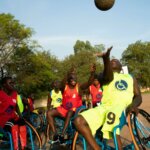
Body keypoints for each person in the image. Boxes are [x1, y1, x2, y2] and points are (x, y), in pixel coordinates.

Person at [74, 48, 142, 150]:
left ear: (121, 67)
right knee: (78, 120)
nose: (113, 61)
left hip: (121, 108)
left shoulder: (130, 77)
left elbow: (138, 96)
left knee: (112, 124)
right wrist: (106, 59)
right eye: (110, 62)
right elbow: (108, 76)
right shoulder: (103, 76)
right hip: (104, 107)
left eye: (116, 61)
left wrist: (133, 105)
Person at [47, 64, 96, 143]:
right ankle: (55, 133)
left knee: (70, 112)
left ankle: (63, 133)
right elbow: (62, 82)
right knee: (49, 113)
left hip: (76, 109)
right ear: (69, 80)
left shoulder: (79, 87)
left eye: (75, 79)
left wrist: (92, 74)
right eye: (72, 79)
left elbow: (89, 83)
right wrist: (68, 73)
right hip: (64, 108)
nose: (74, 80)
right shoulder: (64, 86)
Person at [0, 77, 27, 150]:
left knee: (22, 122)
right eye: (10, 83)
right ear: (4, 85)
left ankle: (23, 146)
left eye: (13, 83)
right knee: (12, 123)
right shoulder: (0, 94)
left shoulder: (14, 93)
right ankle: (15, 146)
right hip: (3, 120)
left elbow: (16, 105)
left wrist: (20, 115)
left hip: (12, 118)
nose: (13, 84)